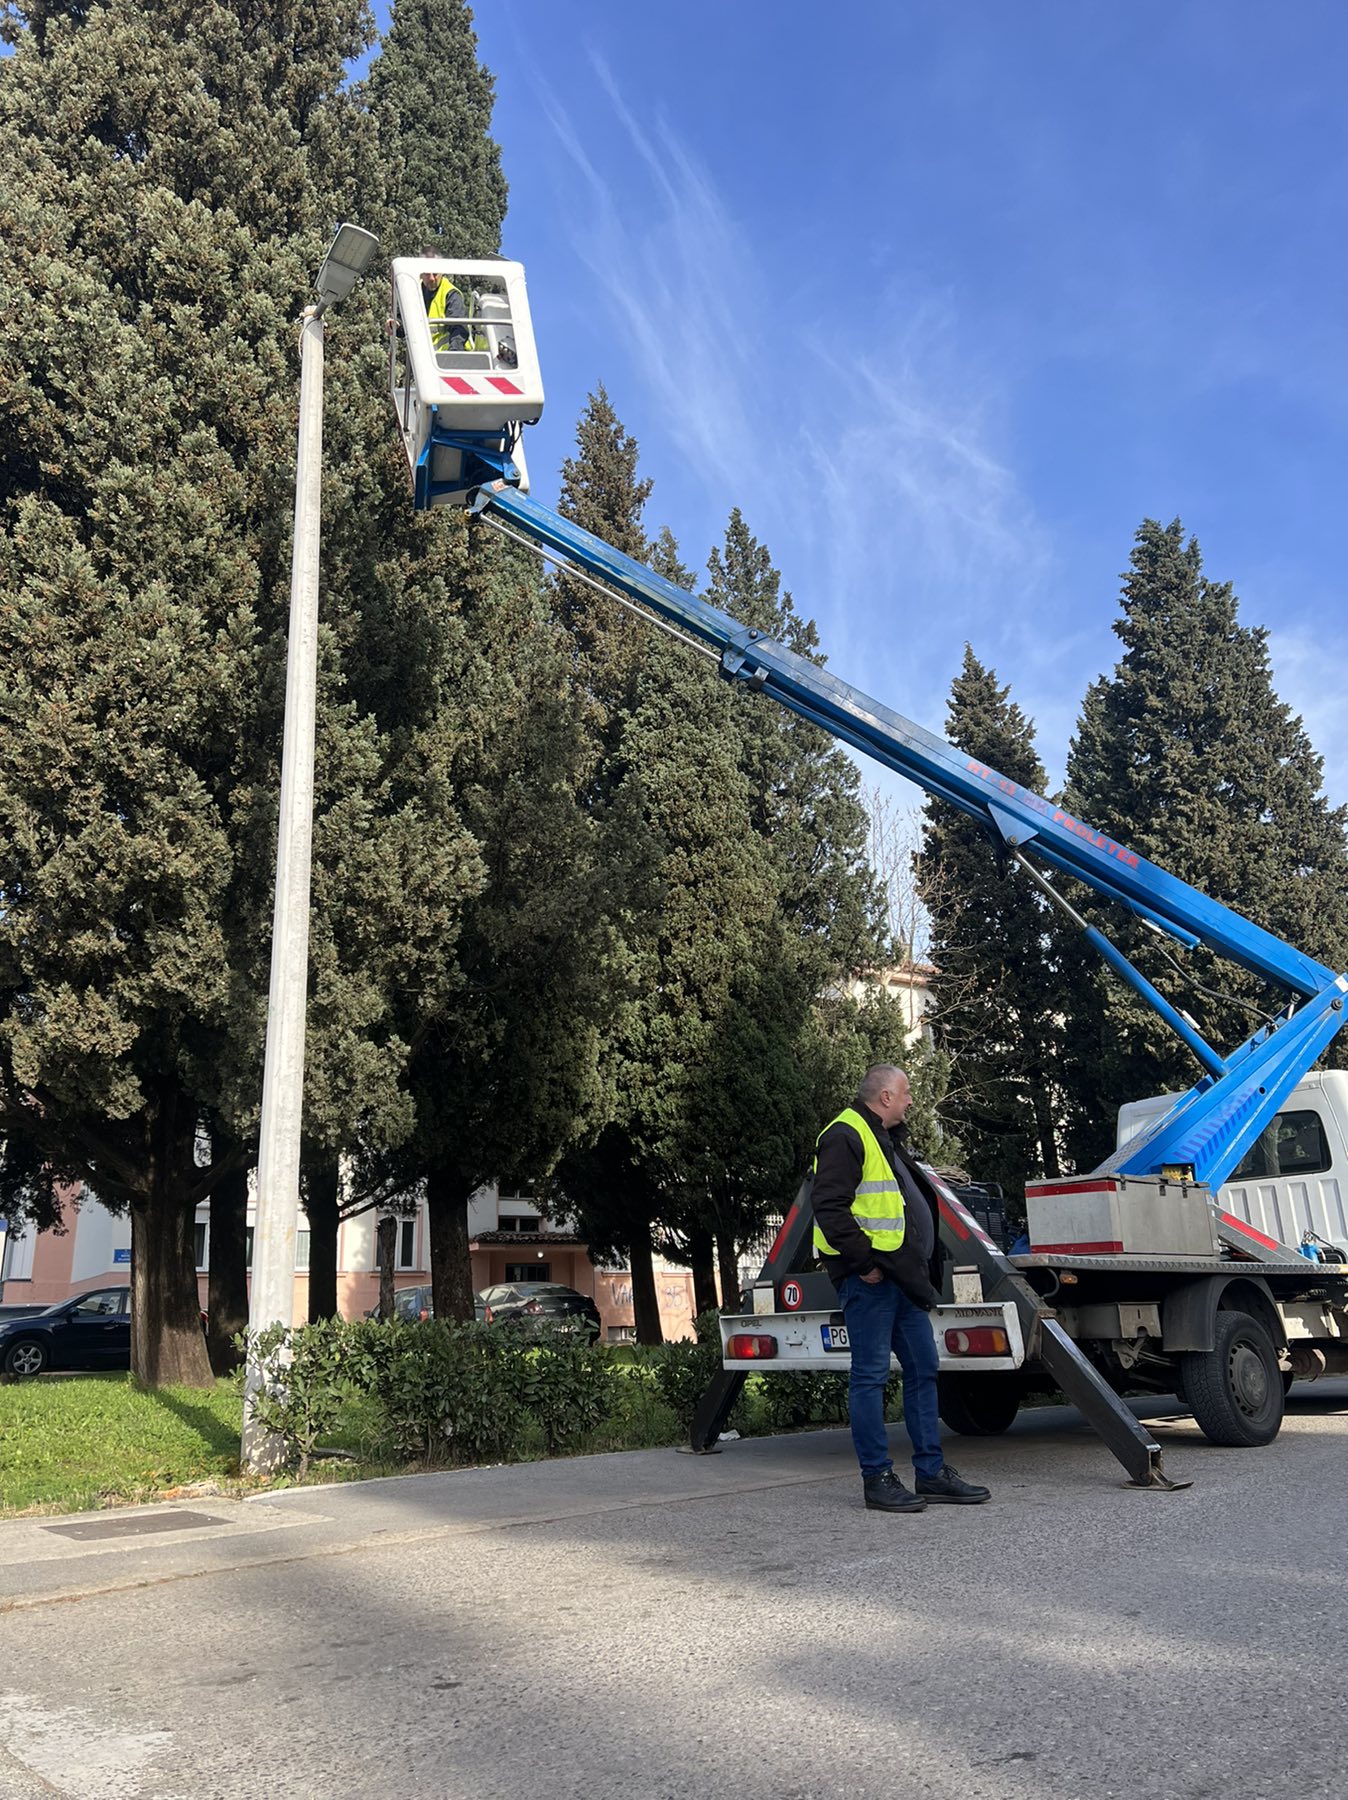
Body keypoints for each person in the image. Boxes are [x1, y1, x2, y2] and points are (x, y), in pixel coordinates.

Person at [812, 1063, 991, 1513]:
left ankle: (931, 1474)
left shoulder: (883, 1137)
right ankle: (878, 1480)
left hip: (902, 1278)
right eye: (906, 1092)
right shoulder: (844, 1134)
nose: (911, 1100)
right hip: (871, 1279)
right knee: (870, 1377)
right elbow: (830, 1208)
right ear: (886, 1096)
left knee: (924, 1368)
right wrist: (863, 1263)